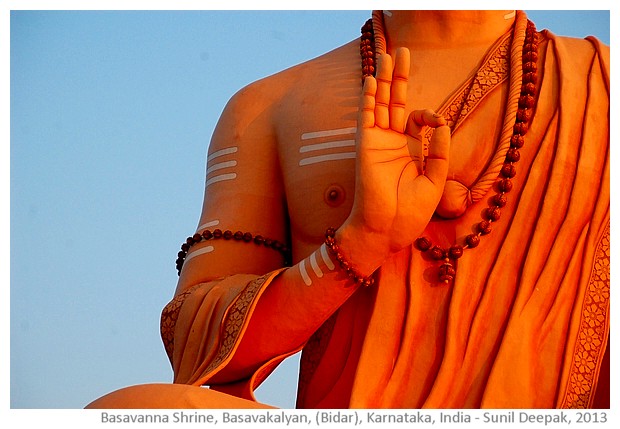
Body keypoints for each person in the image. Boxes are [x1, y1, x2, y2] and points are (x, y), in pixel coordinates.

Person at [88, 10, 609, 409]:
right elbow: (191, 340)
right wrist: (360, 244)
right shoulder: (270, 106)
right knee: (135, 410)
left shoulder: (600, 85)